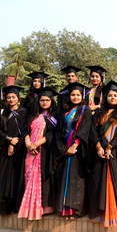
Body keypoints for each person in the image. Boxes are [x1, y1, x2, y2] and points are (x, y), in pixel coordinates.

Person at [88, 81, 117, 227]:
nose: (112, 97)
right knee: (97, 182)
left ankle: (114, 211)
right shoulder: (98, 113)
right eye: (109, 95)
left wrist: (110, 147)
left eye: (115, 95)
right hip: (98, 153)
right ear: (105, 97)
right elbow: (92, 131)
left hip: (115, 153)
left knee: (115, 182)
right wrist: (99, 147)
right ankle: (99, 211)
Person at [17, 87, 60, 220]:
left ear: (51, 101)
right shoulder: (33, 116)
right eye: (42, 100)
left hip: (45, 152)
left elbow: (52, 134)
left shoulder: (55, 116)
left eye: (47, 100)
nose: (44, 102)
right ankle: (30, 207)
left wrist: (36, 144)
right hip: (30, 152)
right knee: (29, 177)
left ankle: (43, 208)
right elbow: (25, 131)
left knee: (43, 178)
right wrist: (29, 143)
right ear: (38, 101)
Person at [54, 82, 92, 220]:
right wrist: (63, 148)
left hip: (77, 150)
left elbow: (85, 128)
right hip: (65, 151)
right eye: (73, 95)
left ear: (82, 96)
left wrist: (75, 145)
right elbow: (58, 131)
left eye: (78, 95)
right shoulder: (64, 112)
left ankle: (76, 209)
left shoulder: (85, 110)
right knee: (64, 179)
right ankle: (65, 210)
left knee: (77, 180)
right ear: (69, 96)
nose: (75, 97)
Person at [0, 86, 28, 214]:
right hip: (4, 150)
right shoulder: (3, 113)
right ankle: (3, 206)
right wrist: (8, 139)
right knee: (3, 176)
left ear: (18, 98)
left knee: (15, 176)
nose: (11, 99)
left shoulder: (24, 112)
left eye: (13, 97)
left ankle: (13, 206)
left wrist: (14, 143)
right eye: (8, 98)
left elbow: (25, 129)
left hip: (19, 149)